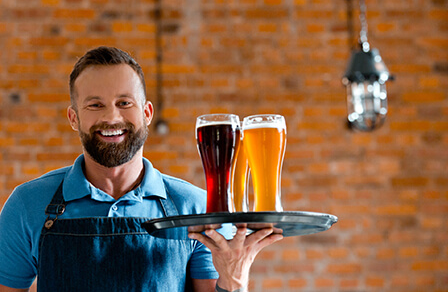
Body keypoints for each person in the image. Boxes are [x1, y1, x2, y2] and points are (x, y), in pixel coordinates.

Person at [0, 46, 283, 292]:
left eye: (124, 103)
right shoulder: (28, 205)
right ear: (74, 118)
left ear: (146, 113)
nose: (112, 117)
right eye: (95, 105)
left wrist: (235, 279)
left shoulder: (196, 208)